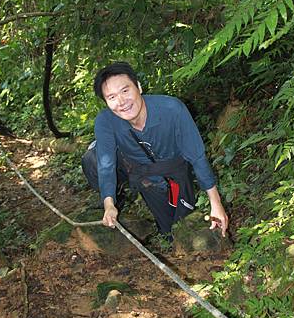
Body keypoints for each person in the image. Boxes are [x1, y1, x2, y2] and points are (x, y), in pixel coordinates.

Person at [82, 62, 228, 237]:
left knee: (173, 229)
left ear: (139, 87)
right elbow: (106, 165)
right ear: (106, 102)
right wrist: (109, 204)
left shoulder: (172, 109)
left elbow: (197, 157)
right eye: (111, 97)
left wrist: (216, 203)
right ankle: (118, 198)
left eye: (125, 91)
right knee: (92, 158)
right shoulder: (106, 120)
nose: (121, 102)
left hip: (173, 168)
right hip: (139, 170)